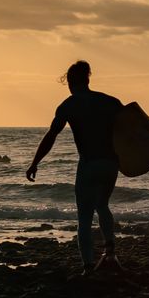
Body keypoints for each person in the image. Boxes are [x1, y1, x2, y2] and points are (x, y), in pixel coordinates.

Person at [26, 61, 123, 274]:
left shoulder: (68, 106)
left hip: (88, 163)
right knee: (103, 205)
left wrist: (35, 163)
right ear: (87, 79)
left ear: (70, 82)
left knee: (84, 216)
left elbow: (51, 136)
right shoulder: (111, 102)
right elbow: (131, 131)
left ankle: (88, 266)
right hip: (110, 163)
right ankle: (110, 254)